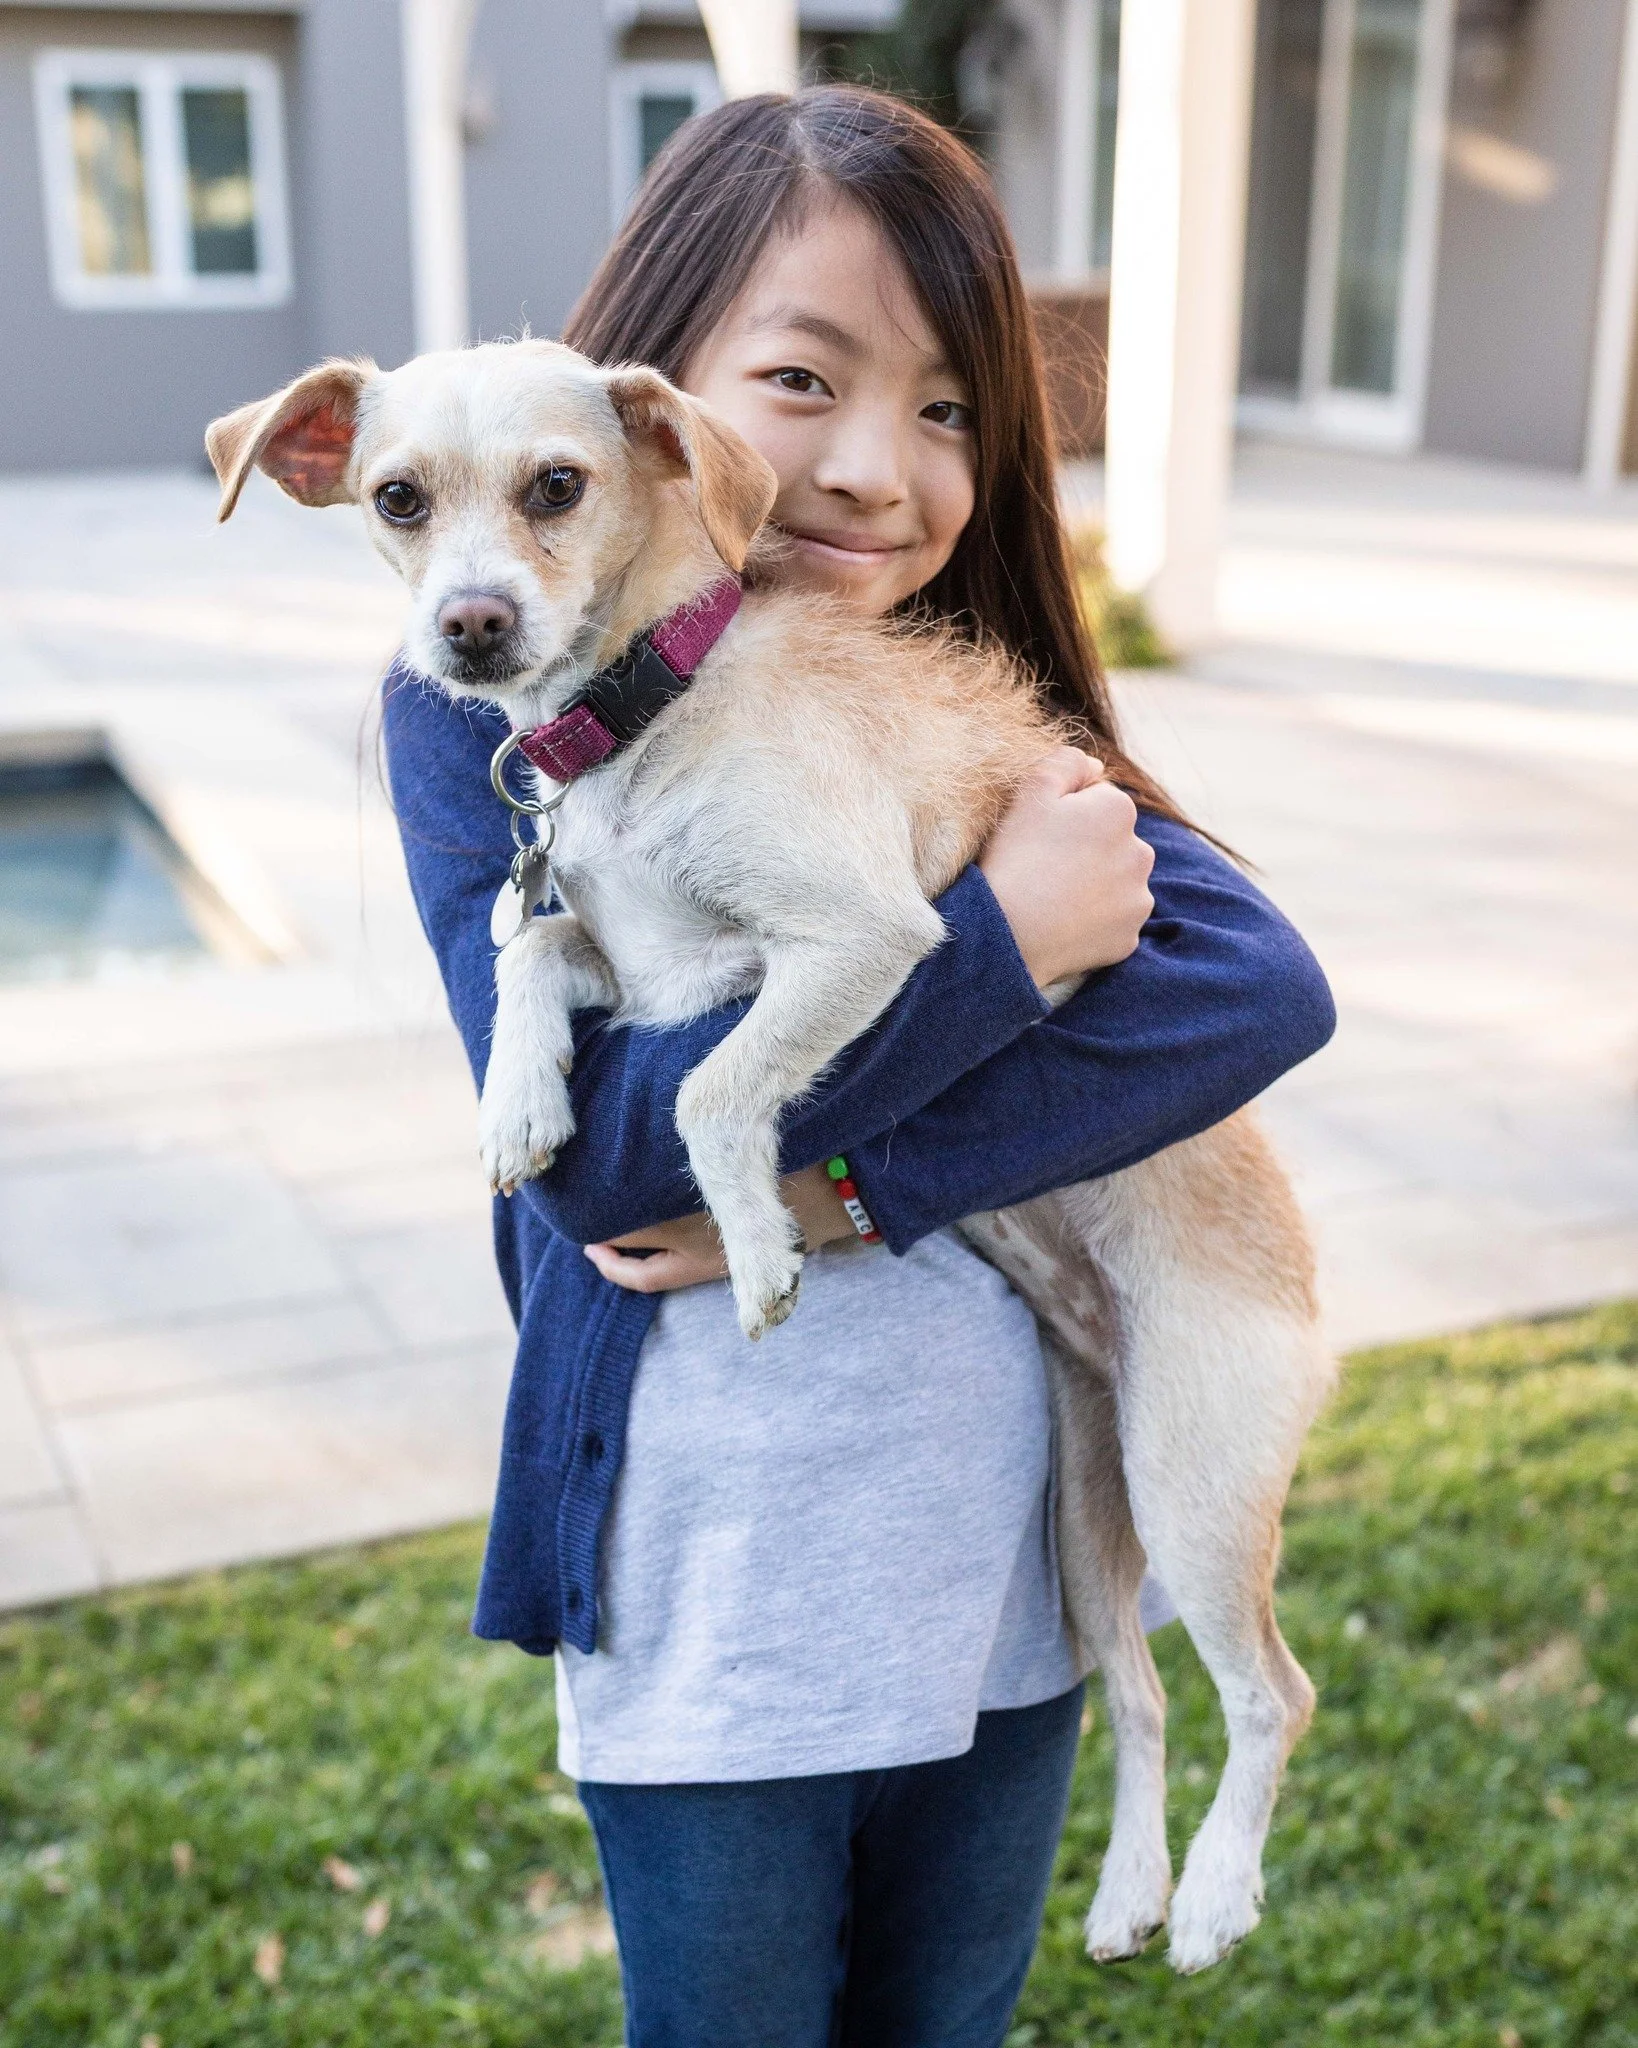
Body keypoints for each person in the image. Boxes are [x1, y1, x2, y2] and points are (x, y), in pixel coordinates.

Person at [382, 87, 1334, 2048]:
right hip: (708, 1591)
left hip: (992, 1581)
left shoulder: (948, 692)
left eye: (953, 410)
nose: (880, 475)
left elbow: (1250, 987)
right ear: (653, 407)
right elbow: (598, 1167)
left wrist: (849, 1185)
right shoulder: (503, 706)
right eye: (805, 379)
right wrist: (1001, 953)